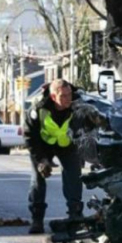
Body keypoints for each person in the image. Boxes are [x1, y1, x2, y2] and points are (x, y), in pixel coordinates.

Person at [24, 79, 85, 234]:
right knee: (38, 179)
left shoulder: (79, 105)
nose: (68, 99)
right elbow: (29, 136)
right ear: (53, 97)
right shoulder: (39, 109)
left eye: (69, 94)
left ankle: (75, 216)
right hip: (42, 146)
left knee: (74, 176)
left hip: (67, 145)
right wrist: (41, 160)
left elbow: (87, 129)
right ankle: (37, 219)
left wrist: (84, 151)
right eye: (63, 96)